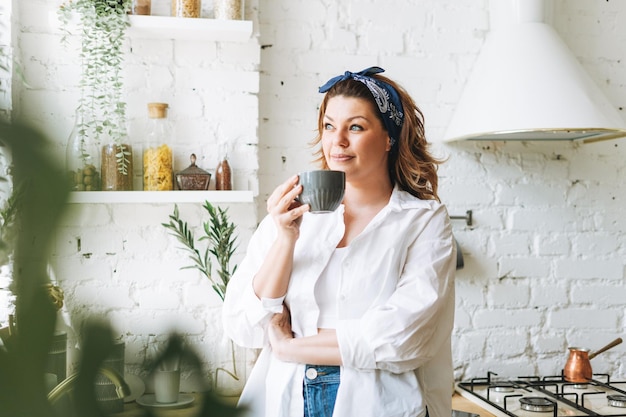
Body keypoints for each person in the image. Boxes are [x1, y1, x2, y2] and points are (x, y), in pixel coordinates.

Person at [222, 66, 456, 417]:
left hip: (377, 406)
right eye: (329, 126)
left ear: (389, 138)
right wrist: (286, 239)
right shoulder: (290, 215)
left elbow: (403, 339)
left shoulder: (422, 221)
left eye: (356, 127)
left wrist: (289, 347)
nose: (337, 141)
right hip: (286, 403)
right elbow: (242, 323)